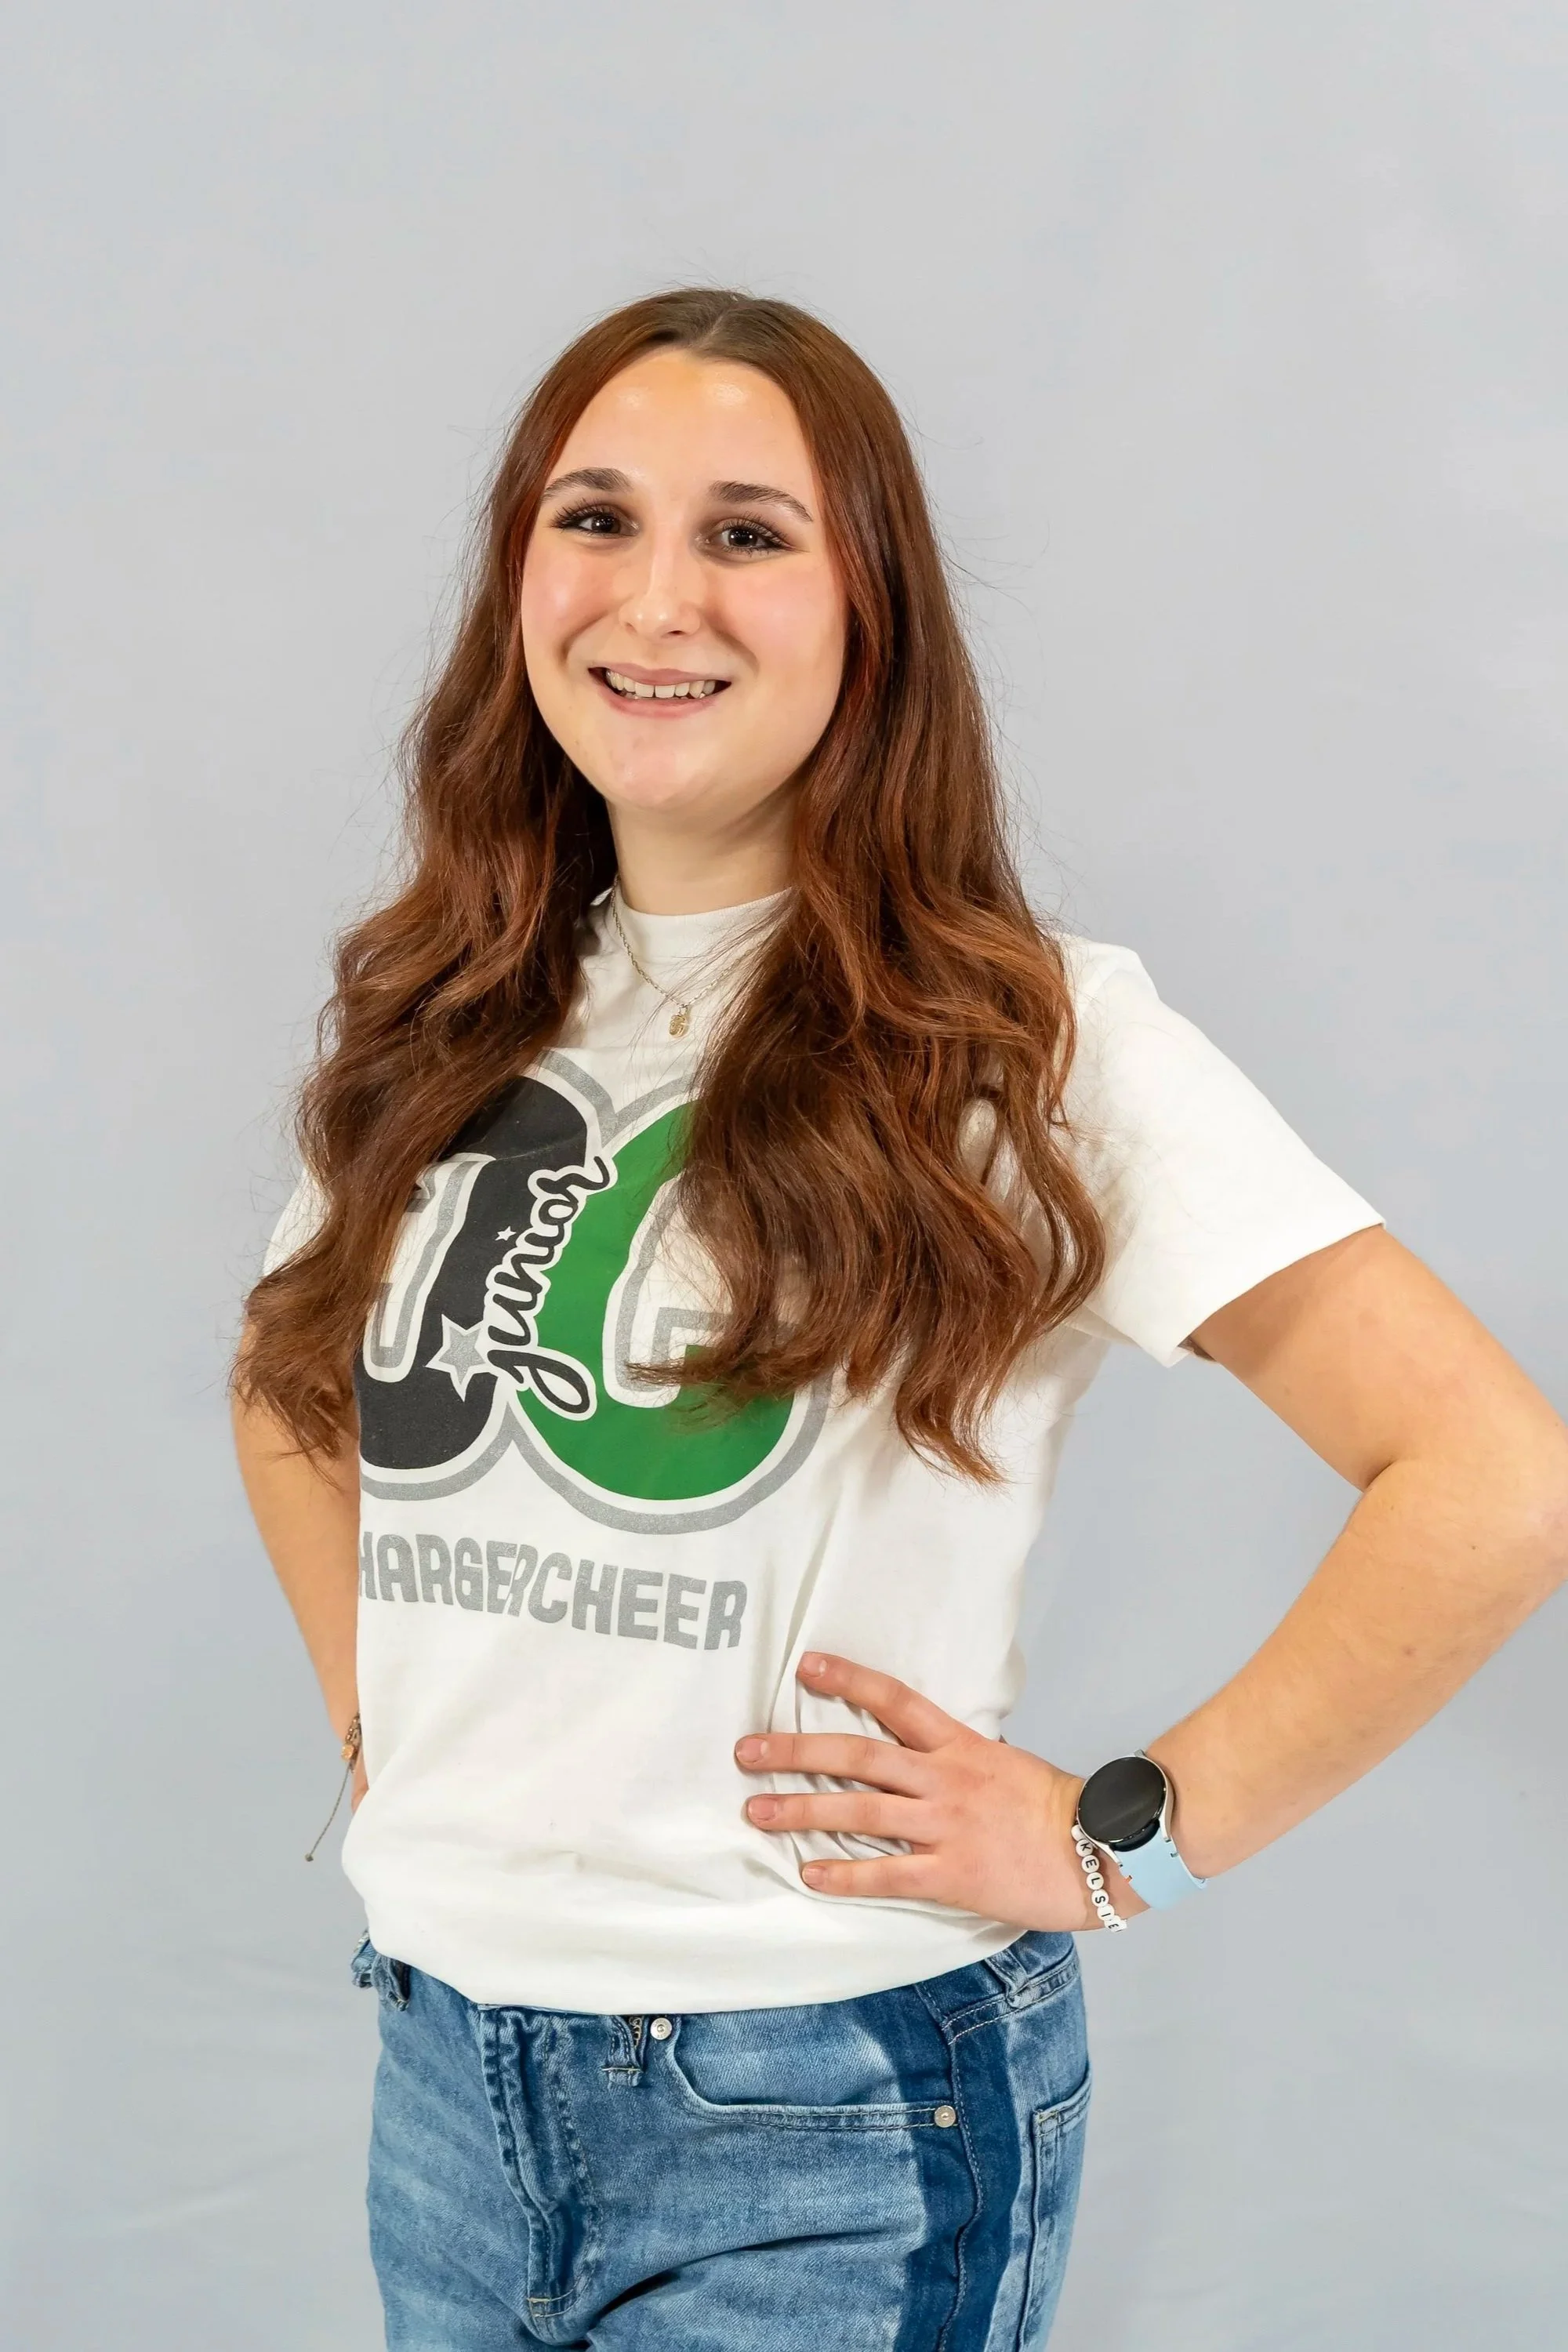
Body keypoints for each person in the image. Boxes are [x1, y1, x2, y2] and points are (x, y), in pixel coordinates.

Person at [232, 287, 1568, 2350]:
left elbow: (1490, 1474)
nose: (656, 596)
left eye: (748, 535)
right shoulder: (456, 1008)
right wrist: (383, 1728)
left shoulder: (1020, 1042)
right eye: (597, 518)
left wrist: (1125, 1841)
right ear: (520, 578)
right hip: (447, 2079)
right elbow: (291, 1383)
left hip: (828, 2113)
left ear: (872, 612)